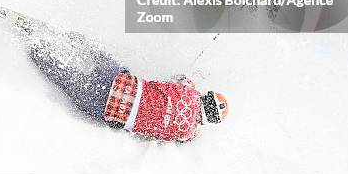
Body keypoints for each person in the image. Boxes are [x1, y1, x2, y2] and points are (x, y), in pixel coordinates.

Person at [30, 32, 228, 142]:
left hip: (121, 81)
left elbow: (181, 78)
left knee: (96, 53)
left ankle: (65, 36)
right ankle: (36, 49)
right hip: (109, 109)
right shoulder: (187, 134)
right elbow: (187, 136)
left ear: (206, 97)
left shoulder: (190, 91)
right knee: (67, 79)